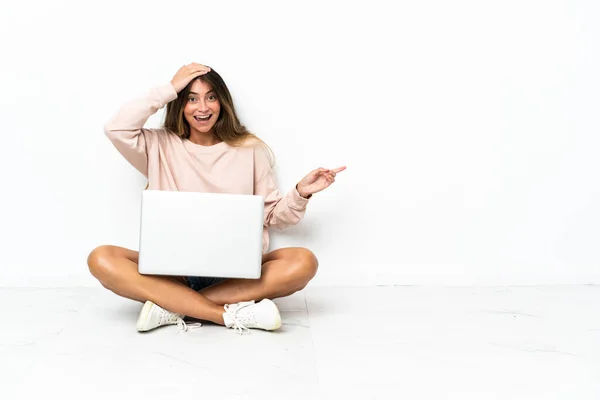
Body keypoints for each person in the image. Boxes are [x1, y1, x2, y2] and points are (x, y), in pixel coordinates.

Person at [87, 63, 345, 334]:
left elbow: (273, 217)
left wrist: (301, 192)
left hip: (237, 273)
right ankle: (225, 315)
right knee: (101, 258)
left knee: (304, 261)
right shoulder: (157, 145)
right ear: (179, 104)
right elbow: (116, 129)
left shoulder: (249, 149)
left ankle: (171, 306)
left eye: (211, 97)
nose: (203, 108)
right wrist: (169, 89)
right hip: (174, 272)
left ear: (222, 103)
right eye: (191, 98)